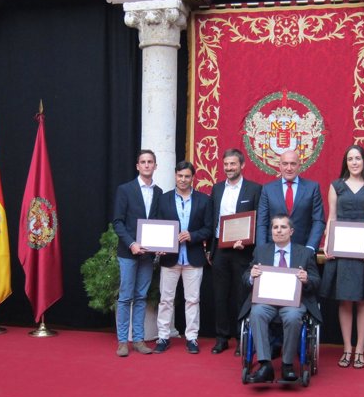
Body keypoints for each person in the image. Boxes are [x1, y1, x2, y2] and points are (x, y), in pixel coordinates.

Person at [320, 145, 364, 369]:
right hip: (342, 248)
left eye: (357, 158)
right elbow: (332, 217)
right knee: (345, 299)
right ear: (346, 162)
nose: (354, 162)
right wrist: (327, 244)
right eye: (350, 159)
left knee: (363, 299)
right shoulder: (336, 186)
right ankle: (347, 348)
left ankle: (360, 348)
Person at [239, 214, 322, 383]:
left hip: (294, 302)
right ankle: (265, 365)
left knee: (292, 316)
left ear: (291, 231)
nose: (279, 231)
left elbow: (316, 281)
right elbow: (246, 276)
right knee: (257, 312)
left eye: (283, 227)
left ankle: (287, 365)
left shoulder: (305, 253)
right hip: (266, 301)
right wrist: (251, 276)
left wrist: (307, 279)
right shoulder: (261, 251)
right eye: (275, 227)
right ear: (271, 231)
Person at [154, 161, 213, 354]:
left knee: (193, 299)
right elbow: (156, 226)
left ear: (192, 178)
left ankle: (192, 338)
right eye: (180, 176)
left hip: (193, 257)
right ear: (175, 175)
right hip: (169, 258)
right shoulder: (163, 199)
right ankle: (163, 336)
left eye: (187, 176)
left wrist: (192, 235)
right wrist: (158, 246)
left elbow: (209, 228)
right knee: (166, 299)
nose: (183, 179)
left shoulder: (204, 200)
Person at [209, 148, 262, 355]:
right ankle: (221, 338)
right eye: (226, 164)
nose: (229, 168)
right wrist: (210, 249)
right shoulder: (216, 189)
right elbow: (213, 219)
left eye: (233, 164)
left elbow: (258, 222)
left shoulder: (255, 189)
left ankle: (242, 339)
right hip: (220, 249)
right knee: (220, 296)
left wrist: (248, 242)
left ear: (242, 165)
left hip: (243, 251)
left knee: (242, 297)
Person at [112, 149, 163, 357]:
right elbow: (118, 222)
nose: (147, 165)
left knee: (141, 296)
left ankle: (139, 340)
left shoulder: (159, 192)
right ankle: (123, 341)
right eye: (143, 162)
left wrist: (161, 244)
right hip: (128, 252)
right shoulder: (125, 190)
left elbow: (159, 223)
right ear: (137, 166)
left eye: (150, 162)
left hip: (148, 255)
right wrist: (132, 243)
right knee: (125, 297)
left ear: (155, 166)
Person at [256, 150, 325, 253]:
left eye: (293, 164)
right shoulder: (268, 189)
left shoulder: (312, 188)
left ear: (299, 166)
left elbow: (318, 220)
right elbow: (262, 222)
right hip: (274, 250)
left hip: (303, 250)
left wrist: (310, 248)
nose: (289, 168)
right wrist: (262, 250)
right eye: (285, 164)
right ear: (279, 166)